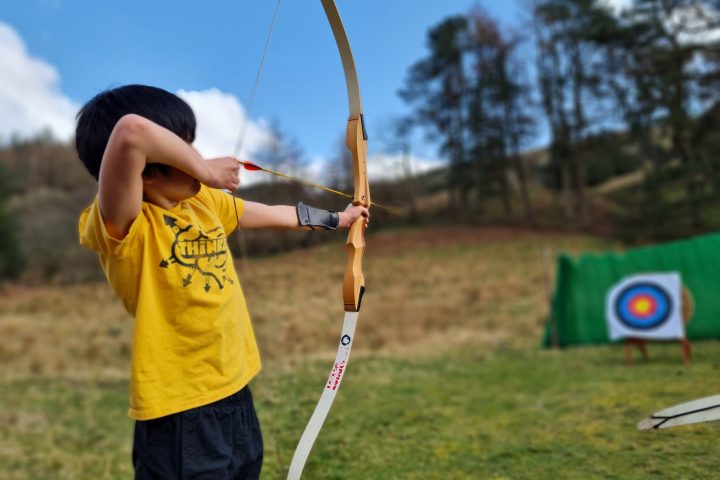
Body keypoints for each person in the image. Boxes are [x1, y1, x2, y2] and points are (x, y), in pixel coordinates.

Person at [75, 84, 369, 479]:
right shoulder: (123, 223)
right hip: (179, 413)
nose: (197, 157)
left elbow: (273, 214)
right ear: (146, 168)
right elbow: (131, 131)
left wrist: (338, 219)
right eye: (184, 148)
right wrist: (207, 170)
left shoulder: (203, 203)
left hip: (235, 393)